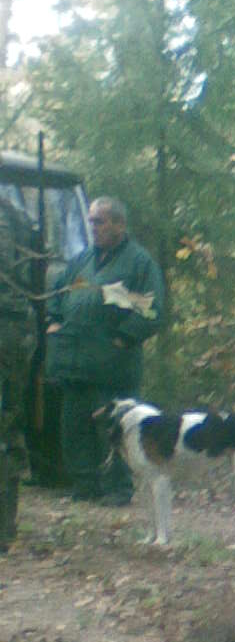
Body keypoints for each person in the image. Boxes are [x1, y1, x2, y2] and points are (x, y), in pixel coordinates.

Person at [45, 197, 164, 503]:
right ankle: (85, 485)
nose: (93, 227)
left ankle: (117, 488)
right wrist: (54, 321)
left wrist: (123, 338)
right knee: (74, 428)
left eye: (99, 221)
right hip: (75, 363)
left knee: (113, 430)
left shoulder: (139, 263)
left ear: (119, 225)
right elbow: (58, 292)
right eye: (91, 221)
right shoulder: (82, 260)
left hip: (113, 366)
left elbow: (153, 310)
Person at [0, 193, 36, 551]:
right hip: (16, 326)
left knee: (6, 427)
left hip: (7, 326)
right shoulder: (16, 212)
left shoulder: (8, 215)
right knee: (8, 426)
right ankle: (4, 527)